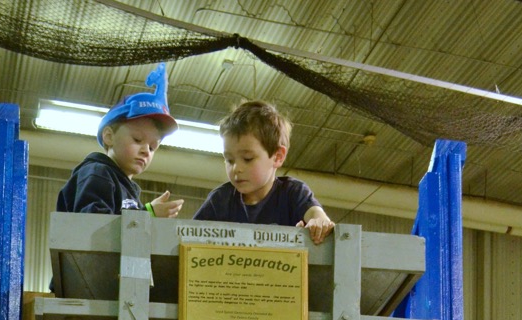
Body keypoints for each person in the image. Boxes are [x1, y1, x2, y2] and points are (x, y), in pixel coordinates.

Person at [193, 100, 334, 243]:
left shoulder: (293, 193)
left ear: (278, 157)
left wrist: (318, 222)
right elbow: (190, 236)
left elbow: (316, 214)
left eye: (248, 159)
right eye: (229, 160)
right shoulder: (220, 200)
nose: (236, 168)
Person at [55, 62, 183, 219]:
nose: (145, 151)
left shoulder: (127, 188)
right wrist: (147, 214)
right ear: (109, 136)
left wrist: (148, 215)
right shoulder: (98, 173)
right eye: (137, 139)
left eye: (152, 147)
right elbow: (93, 226)